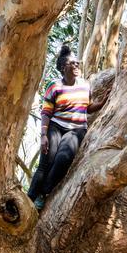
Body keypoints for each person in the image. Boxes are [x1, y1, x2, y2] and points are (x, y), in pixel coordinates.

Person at [28, 45, 97, 209]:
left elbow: (87, 107)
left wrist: (102, 102)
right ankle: (29, 199)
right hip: (55, 127)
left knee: (62, 160)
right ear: (63, 67)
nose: (76, 66)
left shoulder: (85, 85)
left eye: (77, 63)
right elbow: (46, 112)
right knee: (46, 163)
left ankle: (44, 194)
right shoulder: (54, 86)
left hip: (76, 130)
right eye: (72, 63)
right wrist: (44, 135)